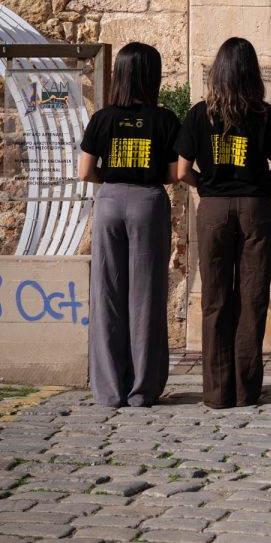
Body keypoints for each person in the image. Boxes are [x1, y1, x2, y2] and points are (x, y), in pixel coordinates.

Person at [176, 37, 271, 410]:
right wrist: (256, 183)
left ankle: (217, 392)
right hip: (255, 208)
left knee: (215, 299)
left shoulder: (199, 114)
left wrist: (208, 185)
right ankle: (245, 390)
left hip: (213, 208)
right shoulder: (265, 114)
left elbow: (182, 171)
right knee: (252, 298)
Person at [77, 41, 180, 409]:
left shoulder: (102, 118)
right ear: (152, 77)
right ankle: (141, 390)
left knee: (107, 294)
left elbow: (85, 172)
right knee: (146, 296)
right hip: (147, 202)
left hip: (109, 201)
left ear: (119, 74)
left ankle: (109, 390)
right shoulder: (165, 120)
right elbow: (174, 173)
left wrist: (113, 178)